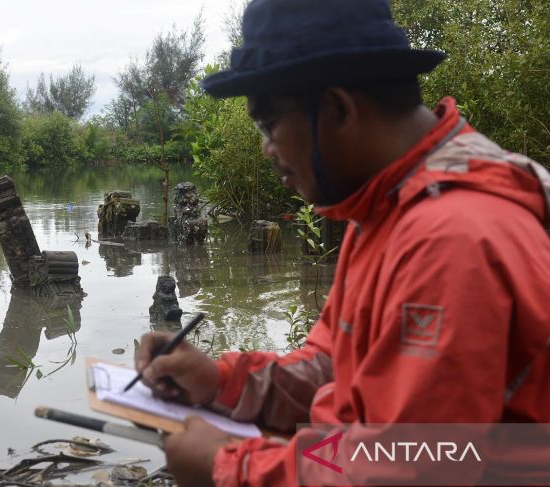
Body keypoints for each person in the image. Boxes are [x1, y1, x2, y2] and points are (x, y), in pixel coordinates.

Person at [135, 0, 550, 486]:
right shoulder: (382, 209)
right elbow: (332, 366)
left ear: (338, 108)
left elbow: (416, 464)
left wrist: (233, 467)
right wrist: (220, 381)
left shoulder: (451, 240)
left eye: (267, 125)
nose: (267, 149)